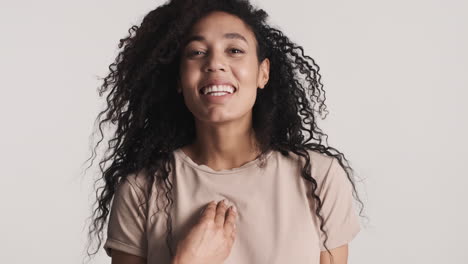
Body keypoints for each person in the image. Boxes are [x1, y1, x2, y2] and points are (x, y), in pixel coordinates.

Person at [85, 0, 365, 263]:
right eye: (196, 53)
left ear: (263, 73)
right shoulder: (141, 189)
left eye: (234, 50)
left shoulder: (318, 177)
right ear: (179, 79)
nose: (214, 64)